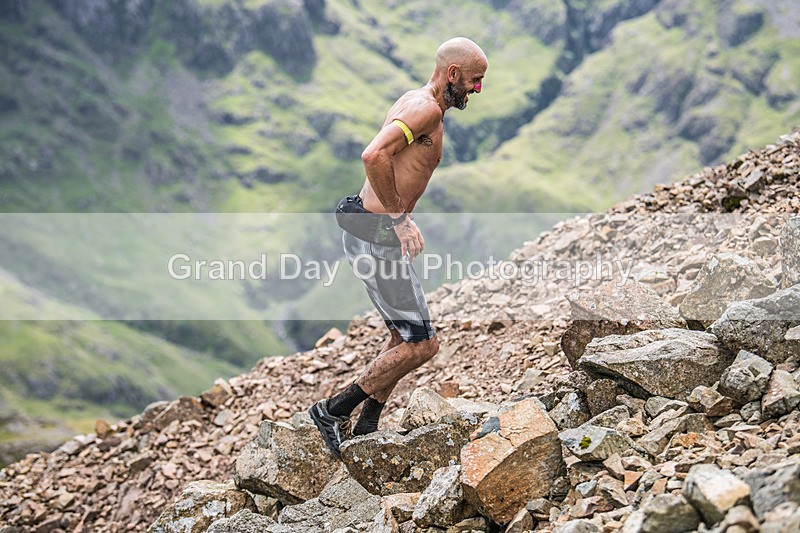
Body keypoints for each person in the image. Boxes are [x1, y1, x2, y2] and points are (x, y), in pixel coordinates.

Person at [310, 37, 488, 457]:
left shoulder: (418, 101)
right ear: (453, 75)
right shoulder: (425, 109)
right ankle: (333, 411)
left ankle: (368, 421)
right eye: (475, 81)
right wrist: (399, 218)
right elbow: (373, 156)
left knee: (400, 334)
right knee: (422, 344)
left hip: (367, 233)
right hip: (377, 237)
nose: (478, 89)